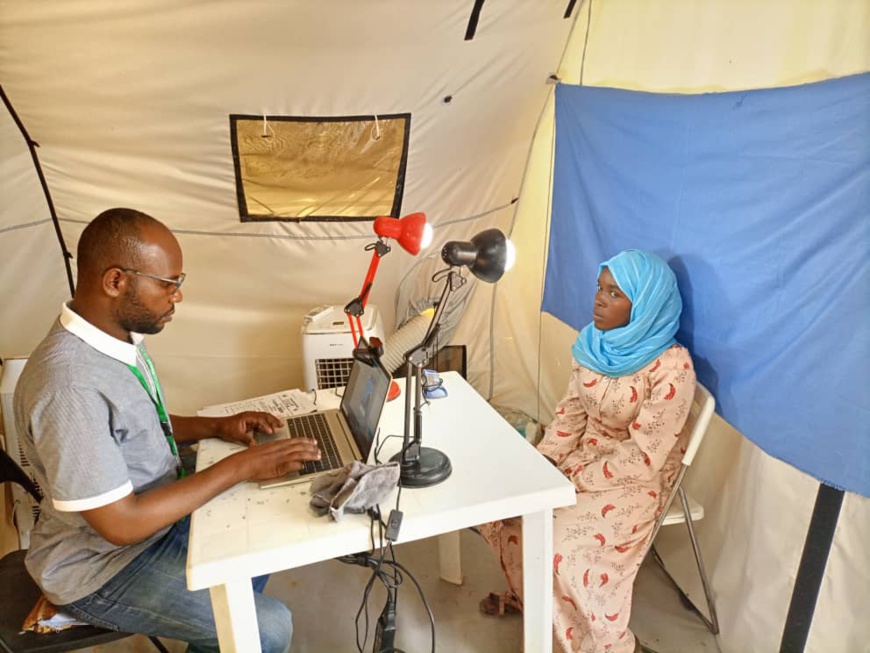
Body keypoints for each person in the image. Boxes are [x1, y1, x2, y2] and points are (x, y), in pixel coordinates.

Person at [13, 208, 322, 653]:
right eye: (167, 284)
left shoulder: (114, 337)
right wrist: (239, 466)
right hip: (102, 565)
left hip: (154, 518)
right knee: (267, 629)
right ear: (115, 281)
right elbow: (121, 524)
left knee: (260, 526)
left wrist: (216, 426)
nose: (177, 296)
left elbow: (135, 425)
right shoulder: (68, 385)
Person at [479, 249, 696, 653]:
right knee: (506, 514)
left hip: (635, 479)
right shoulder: (593, 344)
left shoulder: (672, 367)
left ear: (645, 304)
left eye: (615, 293)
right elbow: (570, 416)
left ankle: (593, 643)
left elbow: (645, 456)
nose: (599, 299)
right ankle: (542, 614)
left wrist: (570, 481)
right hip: (581, 458)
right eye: (600, 287)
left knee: (557, 547)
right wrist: (542, 466)